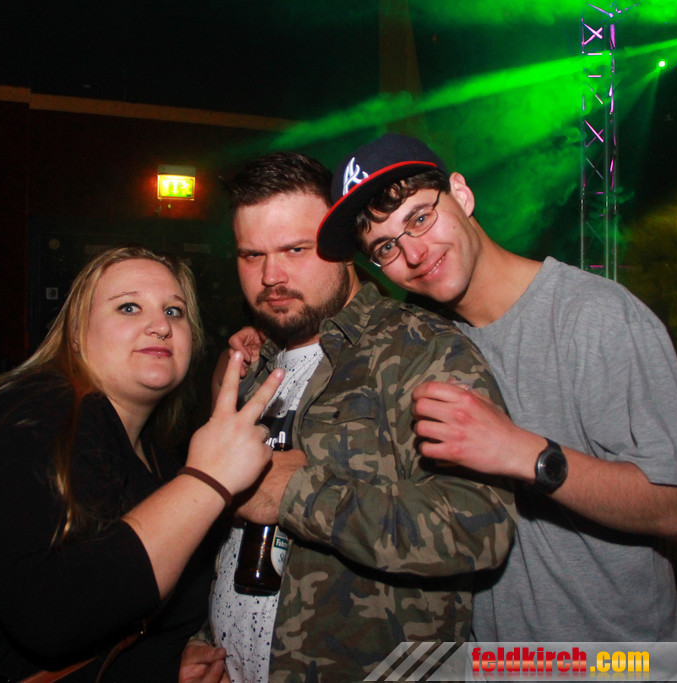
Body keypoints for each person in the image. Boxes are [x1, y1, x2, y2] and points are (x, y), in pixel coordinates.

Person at [316, 133, 677, 642]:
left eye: (420, 217)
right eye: (386, 247)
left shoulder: (595, 316)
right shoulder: (423, 342)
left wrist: (522, 452)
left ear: (461, 194)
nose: (414, 252)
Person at [0, 245, 285, 682]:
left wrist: (160, 664)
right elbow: (51, 614)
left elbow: (118, 618)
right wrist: (208, 480)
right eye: (129, 307)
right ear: (76, 334)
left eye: (174, 312)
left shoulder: (158, 461)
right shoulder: (29, 415)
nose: (160, 326)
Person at [194, 152, 516, 681]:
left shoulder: (419, 348)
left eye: (295, 249)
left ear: (341, 248)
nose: (271, 275)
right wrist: (204, 640)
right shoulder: (251, 362)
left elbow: (479, 527)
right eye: (252, 255)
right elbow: (229, 538)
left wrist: (296, 492)